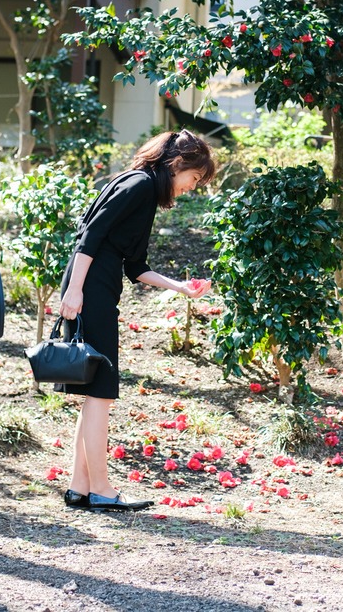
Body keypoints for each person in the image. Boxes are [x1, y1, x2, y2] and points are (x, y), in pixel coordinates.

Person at [57, 129, 215, 512]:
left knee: (93, 395)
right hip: (89, 290)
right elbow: (89, 236)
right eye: (193, 179)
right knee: (100, 394)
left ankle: (81, 487)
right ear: (177, 165)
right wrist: (75, 290)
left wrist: (181, 287)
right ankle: (102, 490)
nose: (190, 188)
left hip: (96, 289)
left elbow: (135, 266)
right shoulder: (140, 185)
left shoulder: (142, 190)